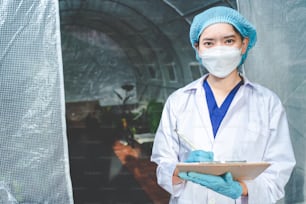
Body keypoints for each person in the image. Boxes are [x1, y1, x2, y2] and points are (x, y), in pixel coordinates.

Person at [150, 6, 296, 204]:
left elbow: (279, 169)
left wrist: (241, 189)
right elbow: (163, 165)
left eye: (228, 41)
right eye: (209, 43)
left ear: (243, 44)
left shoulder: (267, 103)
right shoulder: (178, 101)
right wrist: (181, 170)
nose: (219, 50)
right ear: (197, 48)